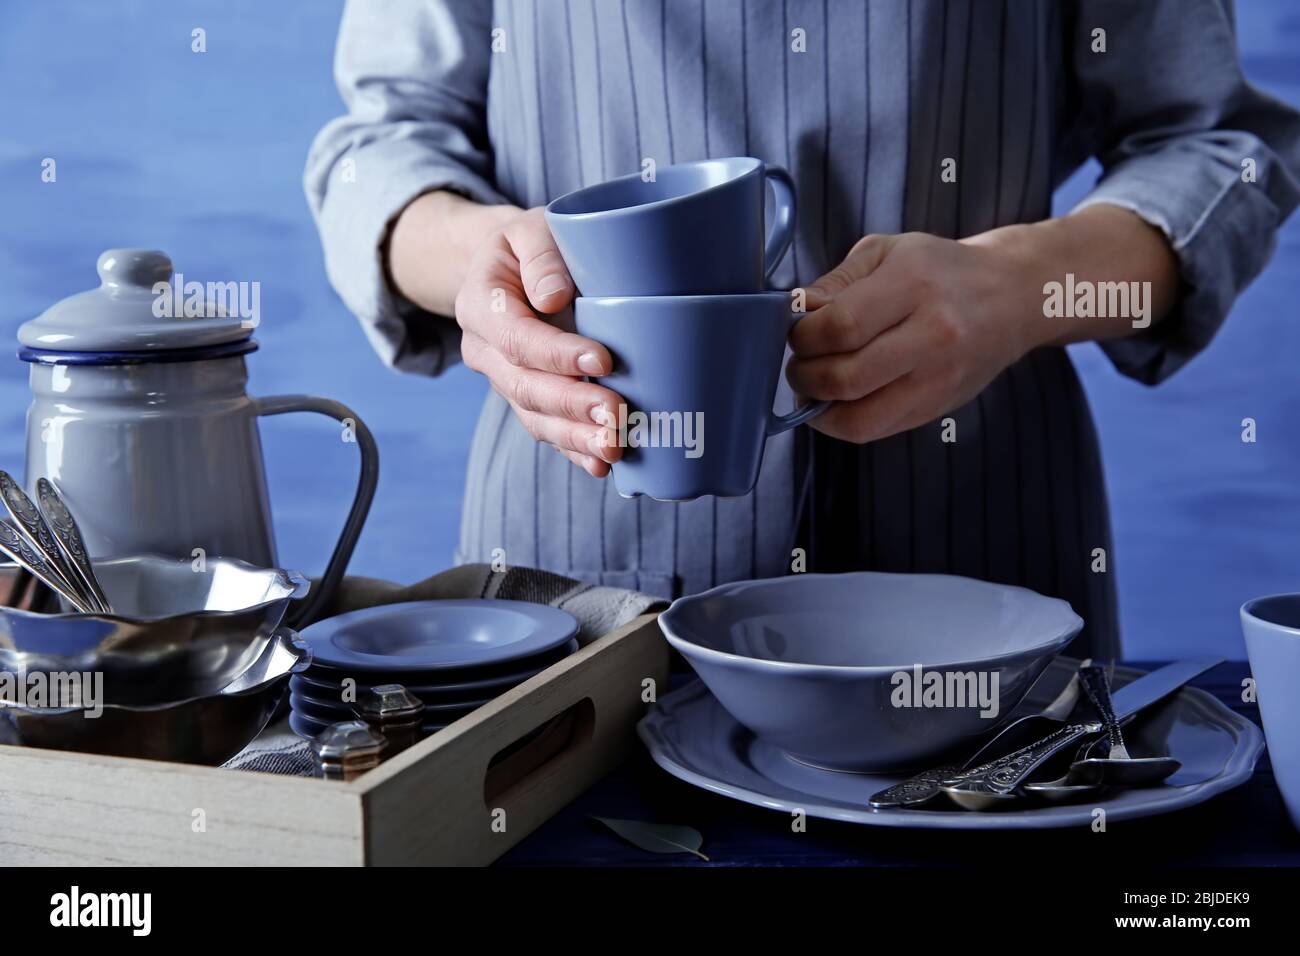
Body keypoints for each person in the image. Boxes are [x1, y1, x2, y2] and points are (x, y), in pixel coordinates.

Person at [306, 0, 1300, 658]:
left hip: (987, 545)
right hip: (573, 562)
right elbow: (385, 140)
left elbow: (1220, 148)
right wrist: (476, 265)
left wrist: (1018, 286)